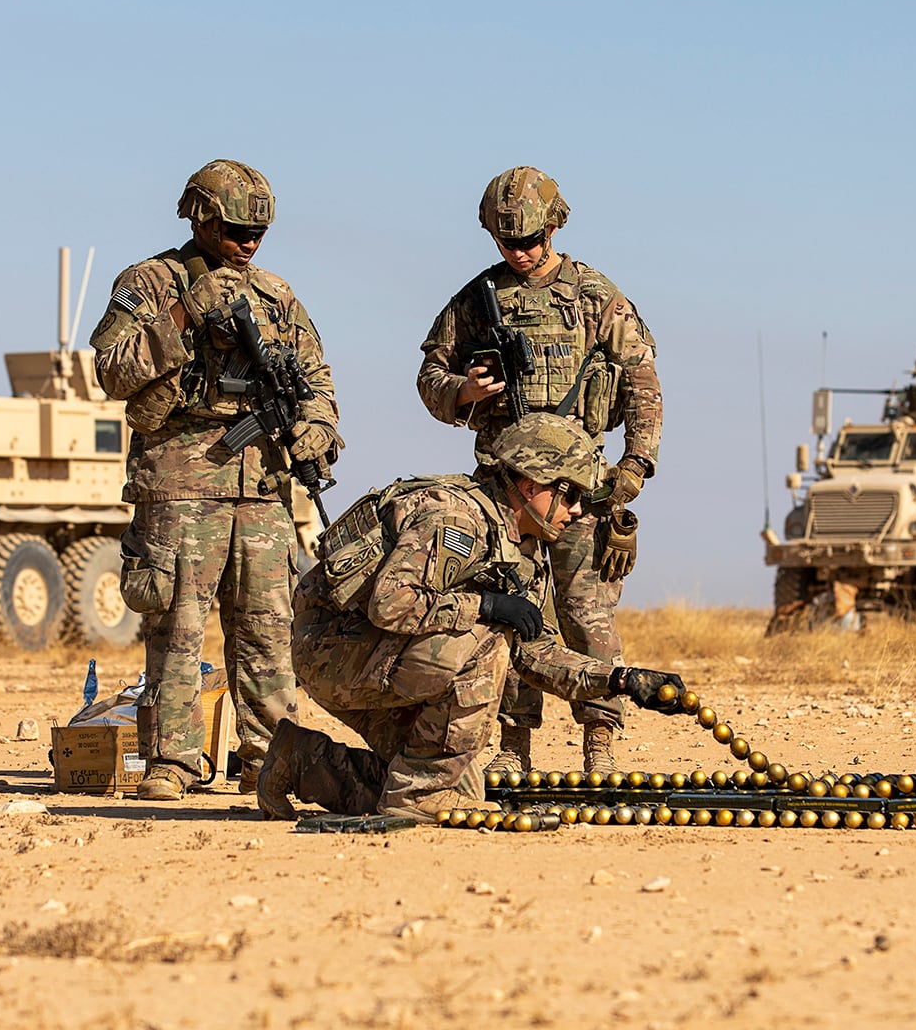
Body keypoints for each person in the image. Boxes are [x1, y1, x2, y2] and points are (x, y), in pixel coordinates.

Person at [256, 414, 686, 822]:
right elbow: (390, 602)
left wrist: (619, 681)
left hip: (387, 657)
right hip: (335, 652)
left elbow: (537, 655)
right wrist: (485, 607)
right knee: (488, 639)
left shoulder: (523, 549)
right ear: (529, 481)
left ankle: (302, 760)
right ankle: (420, 791)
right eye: (569, 494)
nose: (575, 510)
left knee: (461, 791)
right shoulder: (455, 517)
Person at [89, 159, 341, 801]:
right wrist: (181, 319)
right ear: (199, 217)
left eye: (258, 230)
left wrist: (316, 428)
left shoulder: (277, 296)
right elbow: (112, 372)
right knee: (176, 625)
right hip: (178, 478)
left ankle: (268, 758)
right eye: (234, 227)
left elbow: (316, 378)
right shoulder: (150, 282)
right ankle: (172, 760)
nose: (249, 241)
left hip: (260, 483)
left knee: (268, 626)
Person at [415, 166, 663, 779]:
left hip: (581, 487)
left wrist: (635, 464)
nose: (522, 253)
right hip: (507, 492)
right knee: (507, 608)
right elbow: (430, 377)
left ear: (554, 227)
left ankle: (600, 737)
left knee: (586, 613)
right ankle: (509, 741)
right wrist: (465, 392)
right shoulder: (477, 301)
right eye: (508, 243)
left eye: (531, 241)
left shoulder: (595, 296)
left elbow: (642, 382)